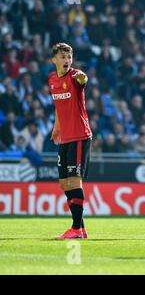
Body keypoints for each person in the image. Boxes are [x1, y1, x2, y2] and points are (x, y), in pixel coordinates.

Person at [49, 43, 92, 239]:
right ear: (54, 60)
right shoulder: (51, 79)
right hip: (65, 137)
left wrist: (83, 78)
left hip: (79, 136)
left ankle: (76, 229)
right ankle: (80, 228)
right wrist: (56, 127)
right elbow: (58, 106)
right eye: (63, 57)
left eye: (69, 57)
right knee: (64, 183)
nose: (67, 60)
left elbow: (83, 79)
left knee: (75, 180)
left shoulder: (75, 76)